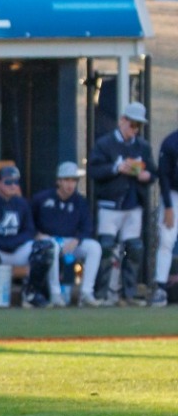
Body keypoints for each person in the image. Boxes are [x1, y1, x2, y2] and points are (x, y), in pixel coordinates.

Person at [89, 101, 153, 303]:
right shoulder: (104, 144)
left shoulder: (142, 146)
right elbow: (94, 171)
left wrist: (146, 175)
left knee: (134, 248)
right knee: (106, 248)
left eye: (138, 126)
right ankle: (102, 293)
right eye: (132, 125)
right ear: (122, 121)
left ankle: (129, 293)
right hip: (110, 204)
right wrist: (116, 168)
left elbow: (152, 172)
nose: (134, 130)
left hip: (133, 205)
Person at [0, 165, 52, 308]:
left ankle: (31, 293)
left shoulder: (22, 203)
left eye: (16, 182)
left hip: (14, 247)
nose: (13, 186)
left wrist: (12, 243)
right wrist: (4, 243)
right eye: (8, 182)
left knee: (45, 248)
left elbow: (29, 230)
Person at [32, 161, 102, 306]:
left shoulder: (80, 202)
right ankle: (56, 294)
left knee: (94, 247)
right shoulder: (42, 198)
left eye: (73, 180)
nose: (70, 185)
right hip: (48, 240)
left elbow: (87, 227)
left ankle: (86, 293)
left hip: (71, 242)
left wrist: (77, 240)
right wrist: (37, 234)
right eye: (66, 180)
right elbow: (28, 220)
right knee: (51, 246)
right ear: (58, 181)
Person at [154, 117, 178, 306]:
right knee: (166, 240)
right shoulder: (171, 142)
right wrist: (169, 206)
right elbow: (163, 176)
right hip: (173, 195)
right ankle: (160, 287)